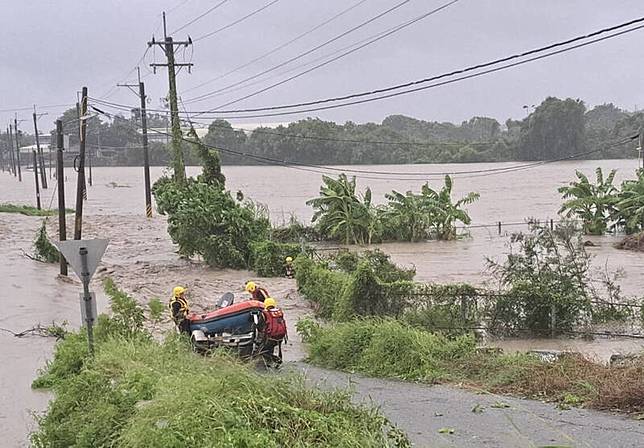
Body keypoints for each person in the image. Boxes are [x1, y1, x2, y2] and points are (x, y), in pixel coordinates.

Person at [258, 297, 288, 366]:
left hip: (271, 337)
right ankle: (270, 362)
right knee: (271, 348)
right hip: (281, 337)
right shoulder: (279, 312)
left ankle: (276, 359)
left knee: (262, 351)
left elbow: (260, 326)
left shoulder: (264, 314)